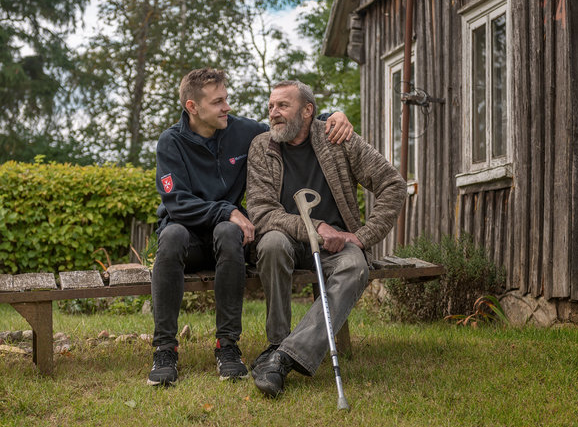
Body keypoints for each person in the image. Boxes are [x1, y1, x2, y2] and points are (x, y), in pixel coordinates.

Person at [148, 68, 355, 386]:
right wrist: (227, 209)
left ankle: (227, 346)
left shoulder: (241, 131)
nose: (227, 107)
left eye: (226, 99)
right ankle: (165, 349)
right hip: (185, 241)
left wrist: (333, 115)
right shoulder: (170, 142)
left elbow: (291, 124)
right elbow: (176, 203)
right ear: (192, 107)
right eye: (218, 102)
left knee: (229, 232)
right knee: (173, 233)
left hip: (227, 241)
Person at [245, 80, 406, 396]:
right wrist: (315, 227)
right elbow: (262, 212)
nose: (273, 113)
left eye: (282, 106)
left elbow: (393, 185)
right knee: (272, 244)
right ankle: (277, 341)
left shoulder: (339, 138)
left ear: (307, 111)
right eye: (271, 107)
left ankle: (283, 357)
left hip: (337, 244)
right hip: (287, 237)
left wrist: (362, 237)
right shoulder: (262, 147)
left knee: (356, 267)